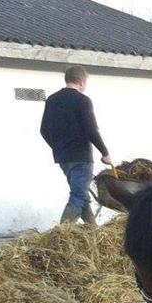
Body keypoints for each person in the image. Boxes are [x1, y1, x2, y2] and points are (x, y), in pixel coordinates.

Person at [40, 65, 112, 225]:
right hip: (81, 158)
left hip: (63, 158)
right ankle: (61, 235)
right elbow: (91, 130)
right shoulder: (83, 101)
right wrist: (105, 152)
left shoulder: (52, 100)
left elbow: (43, 130)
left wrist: (58, 146)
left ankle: (93, 232)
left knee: (82, 194)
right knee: (78, 196)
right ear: (81, 81)